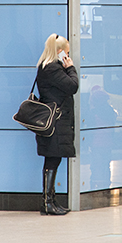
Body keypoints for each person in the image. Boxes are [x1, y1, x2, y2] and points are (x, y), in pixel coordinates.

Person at [35, 33, 79, 215]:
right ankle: (47, 203)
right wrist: (71, 68)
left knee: (54, 158)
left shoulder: (47, 67)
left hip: (56, 121)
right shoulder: (53, 69)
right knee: (52, 159)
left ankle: (51, 201)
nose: (68, 57)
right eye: (66, 53)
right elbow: (73, 86)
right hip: (56, 122)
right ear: (60, 51)